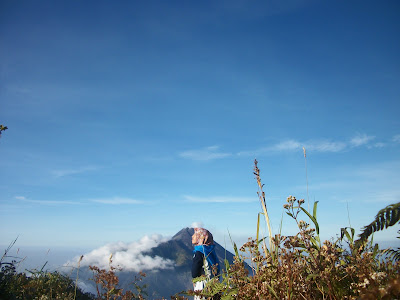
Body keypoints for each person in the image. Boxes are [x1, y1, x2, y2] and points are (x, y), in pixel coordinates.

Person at [191, 227, 220, 300]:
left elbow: (195, 270)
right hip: (214, 284)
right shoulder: (210, 251)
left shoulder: (199, 252)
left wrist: (195, 279)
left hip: (202, 284)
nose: (192, 236)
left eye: (195, 234)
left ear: (201, 237)